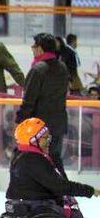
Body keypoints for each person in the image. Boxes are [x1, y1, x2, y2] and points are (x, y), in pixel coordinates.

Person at [6, 117, 93, 218]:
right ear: (33, 140)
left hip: (22, 208)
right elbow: (59, 186)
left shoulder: (20, 155)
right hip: (36, 210)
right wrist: (88, 191)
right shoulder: (35, 160)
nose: (48, 141)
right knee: (74, 216)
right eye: (44, 138)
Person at [17, 33, 69, 166]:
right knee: (55, 159)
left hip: (39, 127)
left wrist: (20, 122)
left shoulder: (38, 70)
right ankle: (60, 184)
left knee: (39, 163)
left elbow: (29, 101)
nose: (33, 49)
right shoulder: (62, 67)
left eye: (34, 46)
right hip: (58, 124)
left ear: (40, 49)